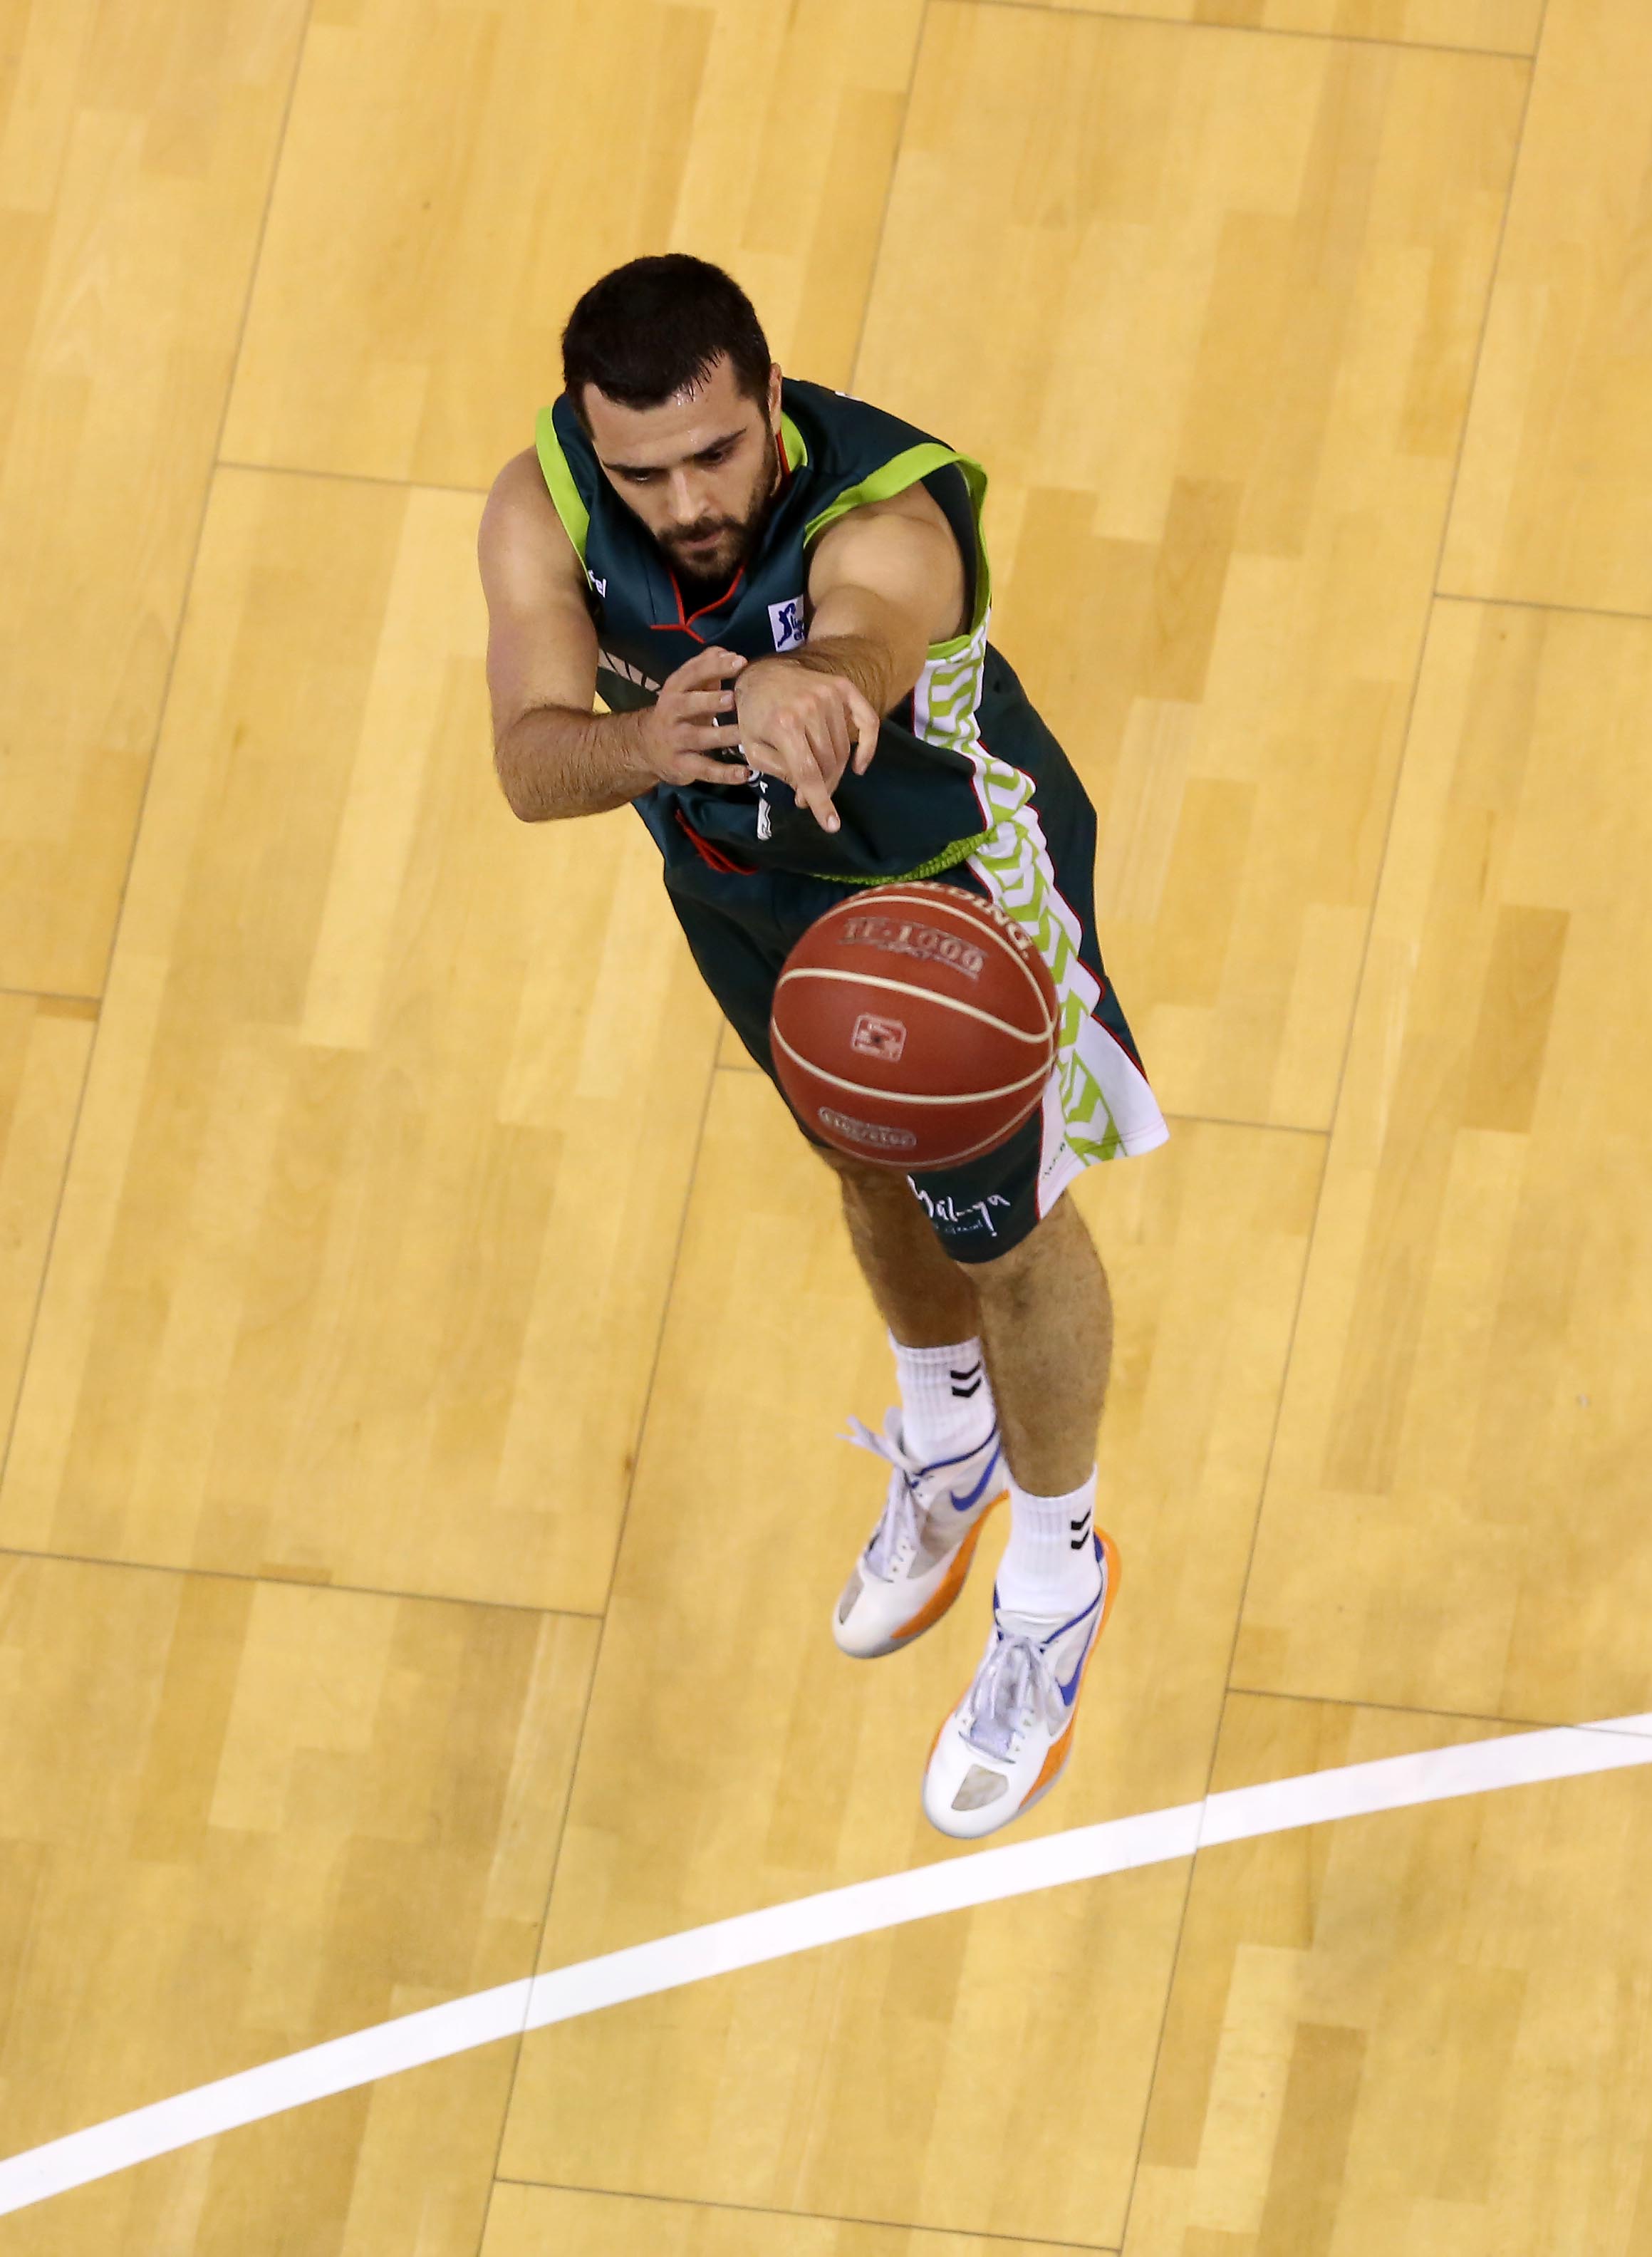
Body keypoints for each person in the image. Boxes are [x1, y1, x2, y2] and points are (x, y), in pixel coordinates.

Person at [478, 254, 1168, 1837]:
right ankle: (949, 1434)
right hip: (746, 898)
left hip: (941, 893)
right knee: (858, 1164)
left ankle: (1056, 1574)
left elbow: (874, 627)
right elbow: (529, 759)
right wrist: (641, 743)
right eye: (640, 470)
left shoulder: (882, 509)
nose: (681, 500)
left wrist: (820, 687)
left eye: (713, 455)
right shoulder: (544, 504)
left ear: (769, 404)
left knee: (1005, 1233)